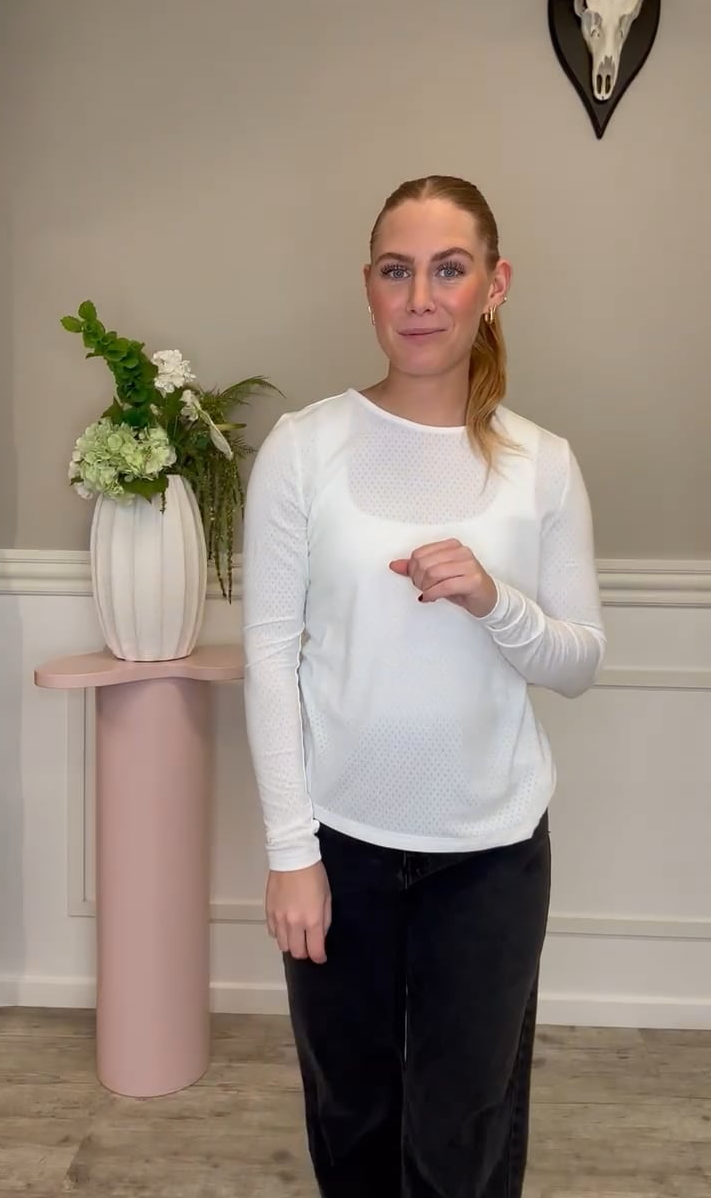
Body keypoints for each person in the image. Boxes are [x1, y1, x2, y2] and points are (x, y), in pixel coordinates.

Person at [241, 174, 606, 1198]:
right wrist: (290, 854)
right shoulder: (305, 447)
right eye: (396, 271)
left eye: (449, 270)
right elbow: (269, 655)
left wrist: (494, 599)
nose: (420, 298)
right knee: (350, 1116)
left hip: (491, 856)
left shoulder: (543, 463)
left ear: (495, 284)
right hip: (341, 846)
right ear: (368, 285)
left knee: (464, 1135)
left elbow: (580, 662)